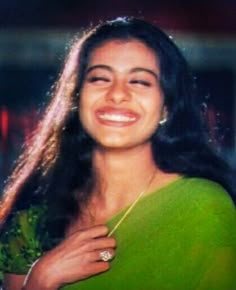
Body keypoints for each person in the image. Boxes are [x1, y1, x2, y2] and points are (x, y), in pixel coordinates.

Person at [0, 17, 235, 290]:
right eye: (100, 78)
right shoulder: (33, 221)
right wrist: (40, 281)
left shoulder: (203, 209)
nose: (117, 94)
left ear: (166, 108)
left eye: (139, 81)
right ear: (76, 98)